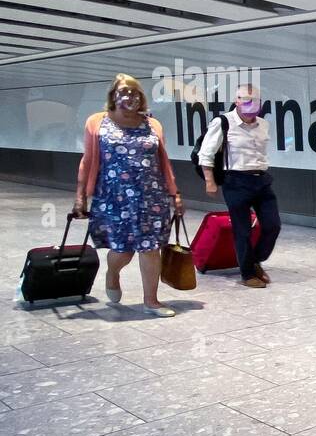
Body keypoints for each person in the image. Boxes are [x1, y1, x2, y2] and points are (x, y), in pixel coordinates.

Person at [72, 74, 184, 317]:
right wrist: (80, 195)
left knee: (151, 247)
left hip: (151, 197)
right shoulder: (97, 122)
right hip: (114, 198)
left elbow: (163, 162)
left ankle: (151, 301)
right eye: (124, 92)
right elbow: (87, 160)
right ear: (113, 96)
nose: (130, 97)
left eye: (135, 93)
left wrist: (174, 194)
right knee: (123, 250)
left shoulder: (152, 124)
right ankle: (113, 274)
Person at [197, 83, 281, 288]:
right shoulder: (223, 122)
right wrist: (210, 181)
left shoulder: (263, 124)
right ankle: (247, 274)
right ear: (237, 101)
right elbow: (206, 153)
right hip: (235, 181)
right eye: (246, 100)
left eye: (255, 101)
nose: (251, 104)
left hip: (261, 179)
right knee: (242, 230)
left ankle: (254, 260)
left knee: (272, 225)